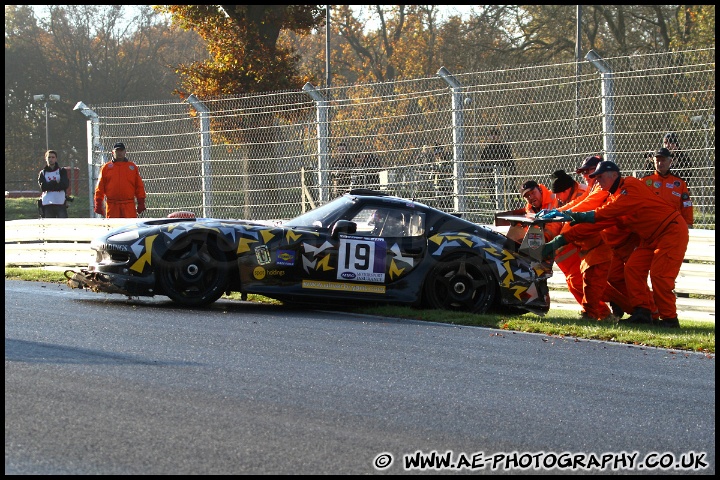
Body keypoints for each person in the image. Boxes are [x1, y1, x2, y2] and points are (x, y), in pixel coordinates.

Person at [543, 160, 689, 329]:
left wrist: (574, 216)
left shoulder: (631, 186)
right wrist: (561, 240)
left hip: (670, 231)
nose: (597, 181)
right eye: (595, 177)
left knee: (660, 275)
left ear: (614, 174)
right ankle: (643, 313)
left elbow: (604, 213)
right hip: (649, 238)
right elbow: (599, 222)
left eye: (600, 177)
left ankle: (670, 319)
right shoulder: (614, 198)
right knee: (632, 269)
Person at [521, 180, 585, 312]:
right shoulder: (530, 209)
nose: (531, 197)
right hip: (558, 254)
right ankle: (592, 310)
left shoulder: (554, 200)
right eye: (527, 196)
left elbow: (555, 226)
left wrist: (544, 240)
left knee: (579, 282)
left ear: (539, 189)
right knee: (574, 284)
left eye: (532, 193)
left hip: (569, 249)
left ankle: (599, 311)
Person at [641, 147, 693, 227]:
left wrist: (688, 223)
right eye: (657, 161)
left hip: (673, 225)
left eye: (663, 160)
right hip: (651, 226)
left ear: (670, 161)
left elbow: (686, 204)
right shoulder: (644, 181)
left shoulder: (679, 183)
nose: (660, 163)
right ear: (654, 162)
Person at [94, 142, 147, 218]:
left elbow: (139, 186)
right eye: (117, 151)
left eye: (121, 151)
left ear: (125, 152)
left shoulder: (132, 167)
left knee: (130, 228)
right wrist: (98, 203)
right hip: (112, 206)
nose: (119, 153)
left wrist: (141, 202)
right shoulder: (106, 168)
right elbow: (100, 187)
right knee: (113, 228)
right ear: (113, 152)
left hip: (129, 205)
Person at [479, 129, 516, 209]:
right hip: (491, 177)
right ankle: (496, 210)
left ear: (499, 136)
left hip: (503, 176)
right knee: (493, 197)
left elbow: (510, 162)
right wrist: (481, 179)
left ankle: (508, 210)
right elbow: (482, 164)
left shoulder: (504, 147)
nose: (494, 137)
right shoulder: (487, 149)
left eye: (496, 135)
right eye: (491, 135)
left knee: (507, 196)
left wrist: (512, 176)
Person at [37, 149, 70, 218]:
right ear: (46, 159)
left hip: (60, 202)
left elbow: (65, 185)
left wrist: (50, 185)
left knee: (63, 224)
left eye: (53, 157)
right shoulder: (42, 173)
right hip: (47, 203)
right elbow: (43, 187)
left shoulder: (61, 171)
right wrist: (55, 183)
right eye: (49, 157)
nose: (51, 159)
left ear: (56, 159)